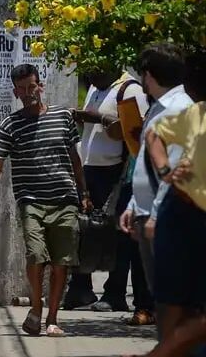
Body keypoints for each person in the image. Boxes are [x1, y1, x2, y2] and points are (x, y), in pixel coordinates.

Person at [0, 64, 91, 338]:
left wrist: (84, 193)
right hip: (31, 201)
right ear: (15, 92)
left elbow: (74, 159)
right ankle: (37, 307)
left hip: (65, 199)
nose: (28, 93)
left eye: (32, 87)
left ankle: (52, 318)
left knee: (62, 261)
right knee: (36, 255)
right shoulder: (11, 124)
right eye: (22, 89)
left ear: (40, 86)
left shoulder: (62, 117)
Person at [62, 66, 152, 317]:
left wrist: (99, 118)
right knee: (84, 231)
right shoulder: (95, 88)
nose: (91, 76)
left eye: (95, 70)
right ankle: (81, 289)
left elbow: (134, 132)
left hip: (116, 172)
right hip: (90, 170)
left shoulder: (130, 89)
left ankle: (115, 293)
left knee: (118, 237)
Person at [119, 43, 193, 325]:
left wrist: (156, 214)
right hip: (148, 211)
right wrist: (133, 204)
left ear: (150, 75)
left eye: (144, 74)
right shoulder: (158, 108)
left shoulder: (178, 110)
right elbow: (145, 161)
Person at [141, 48, 206, 355]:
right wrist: (165, 170)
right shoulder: (195, 114)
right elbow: (154, 136)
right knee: (172, 300)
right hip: (183, 211)